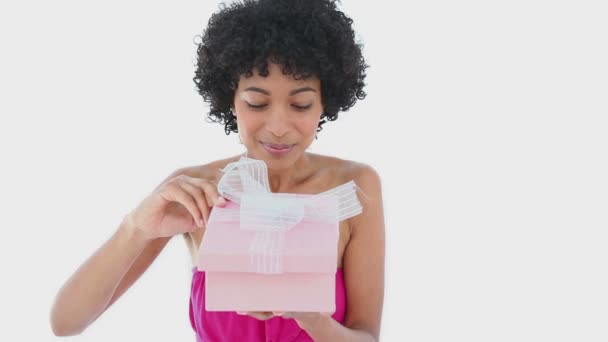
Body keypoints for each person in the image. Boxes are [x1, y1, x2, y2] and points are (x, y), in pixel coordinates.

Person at [50, 0, 385, 340]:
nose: (280, 126)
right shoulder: (194, 190)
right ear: (230, 99)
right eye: (257, 103)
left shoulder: (354, 188)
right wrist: (136, 227)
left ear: (325, 102)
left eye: (301, 104)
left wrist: (314, 320)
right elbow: (65, 323)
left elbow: (367, 336)